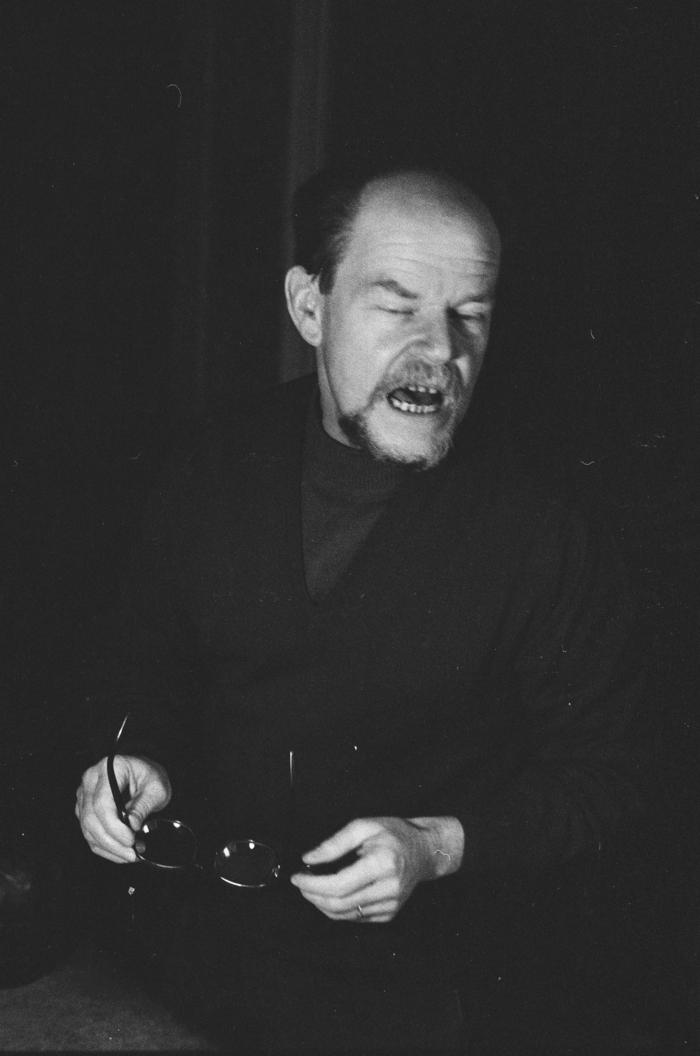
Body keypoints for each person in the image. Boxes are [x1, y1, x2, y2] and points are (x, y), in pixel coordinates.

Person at [75, 161, 649, 1053]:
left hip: (425, 998)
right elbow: (143, 674)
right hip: (190, 969)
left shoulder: (547, 529)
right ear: (311, 309)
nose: (442, 351)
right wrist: (129, 760)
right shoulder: (208, 469)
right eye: (399, 305)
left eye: (471, 314)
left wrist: (438, 847)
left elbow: (613, 782)